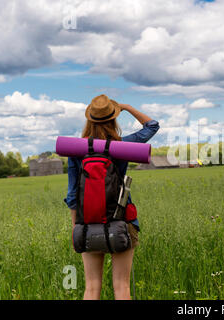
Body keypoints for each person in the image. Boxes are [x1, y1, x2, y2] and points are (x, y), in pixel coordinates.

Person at [64, 94, 159, 300]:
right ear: (113, 118)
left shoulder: (76, 150)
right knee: (122, 286)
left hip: (87, 223)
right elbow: (152, 126)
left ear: (89, 119)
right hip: (122, 221)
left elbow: (72, 196)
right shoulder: (122, 146)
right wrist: (126, 106)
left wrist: (76, 229)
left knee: (91, 287)